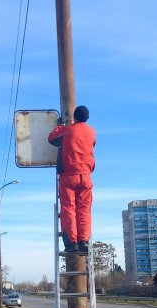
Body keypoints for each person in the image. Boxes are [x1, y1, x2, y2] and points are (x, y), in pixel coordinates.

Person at [48, 105, 96, 253]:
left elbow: (52, 139)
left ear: (75, 116)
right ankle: (84, 242)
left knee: (69, 208)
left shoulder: (68, 130)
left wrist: (59, 125)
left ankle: (71, 243)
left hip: (69, 175)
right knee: (84, 210)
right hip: (86, 176)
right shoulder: (92, 132)